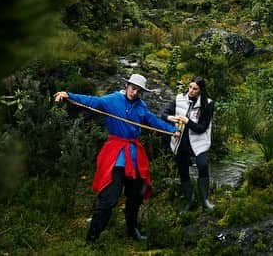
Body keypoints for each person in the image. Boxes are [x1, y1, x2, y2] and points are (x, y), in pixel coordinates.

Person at [54, 74, 179, 243]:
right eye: (133, 88)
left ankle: (132, 229)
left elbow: (153, 121)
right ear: (127, 85)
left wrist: (172, 130)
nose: (134, 92)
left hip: (134, 155)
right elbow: (92, 101)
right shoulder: (111, 100)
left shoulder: (141, 106)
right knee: (109, 198)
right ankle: (92, 238)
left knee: (136, 195)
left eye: (138, 90)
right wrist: (68, 95)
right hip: (116, 154)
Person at [161, 76, 215, 212]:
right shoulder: (179, 98)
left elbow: (202, 128)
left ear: (201, 90)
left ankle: (205, 201)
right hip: (180, 140)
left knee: (202, 165)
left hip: (198, 141)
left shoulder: (208, 103)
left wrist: (187, 121)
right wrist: (170, 117)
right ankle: (189, 201)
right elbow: (163, 113)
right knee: (182, 169)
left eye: (195, 89)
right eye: (190, 87)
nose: (191, 90)